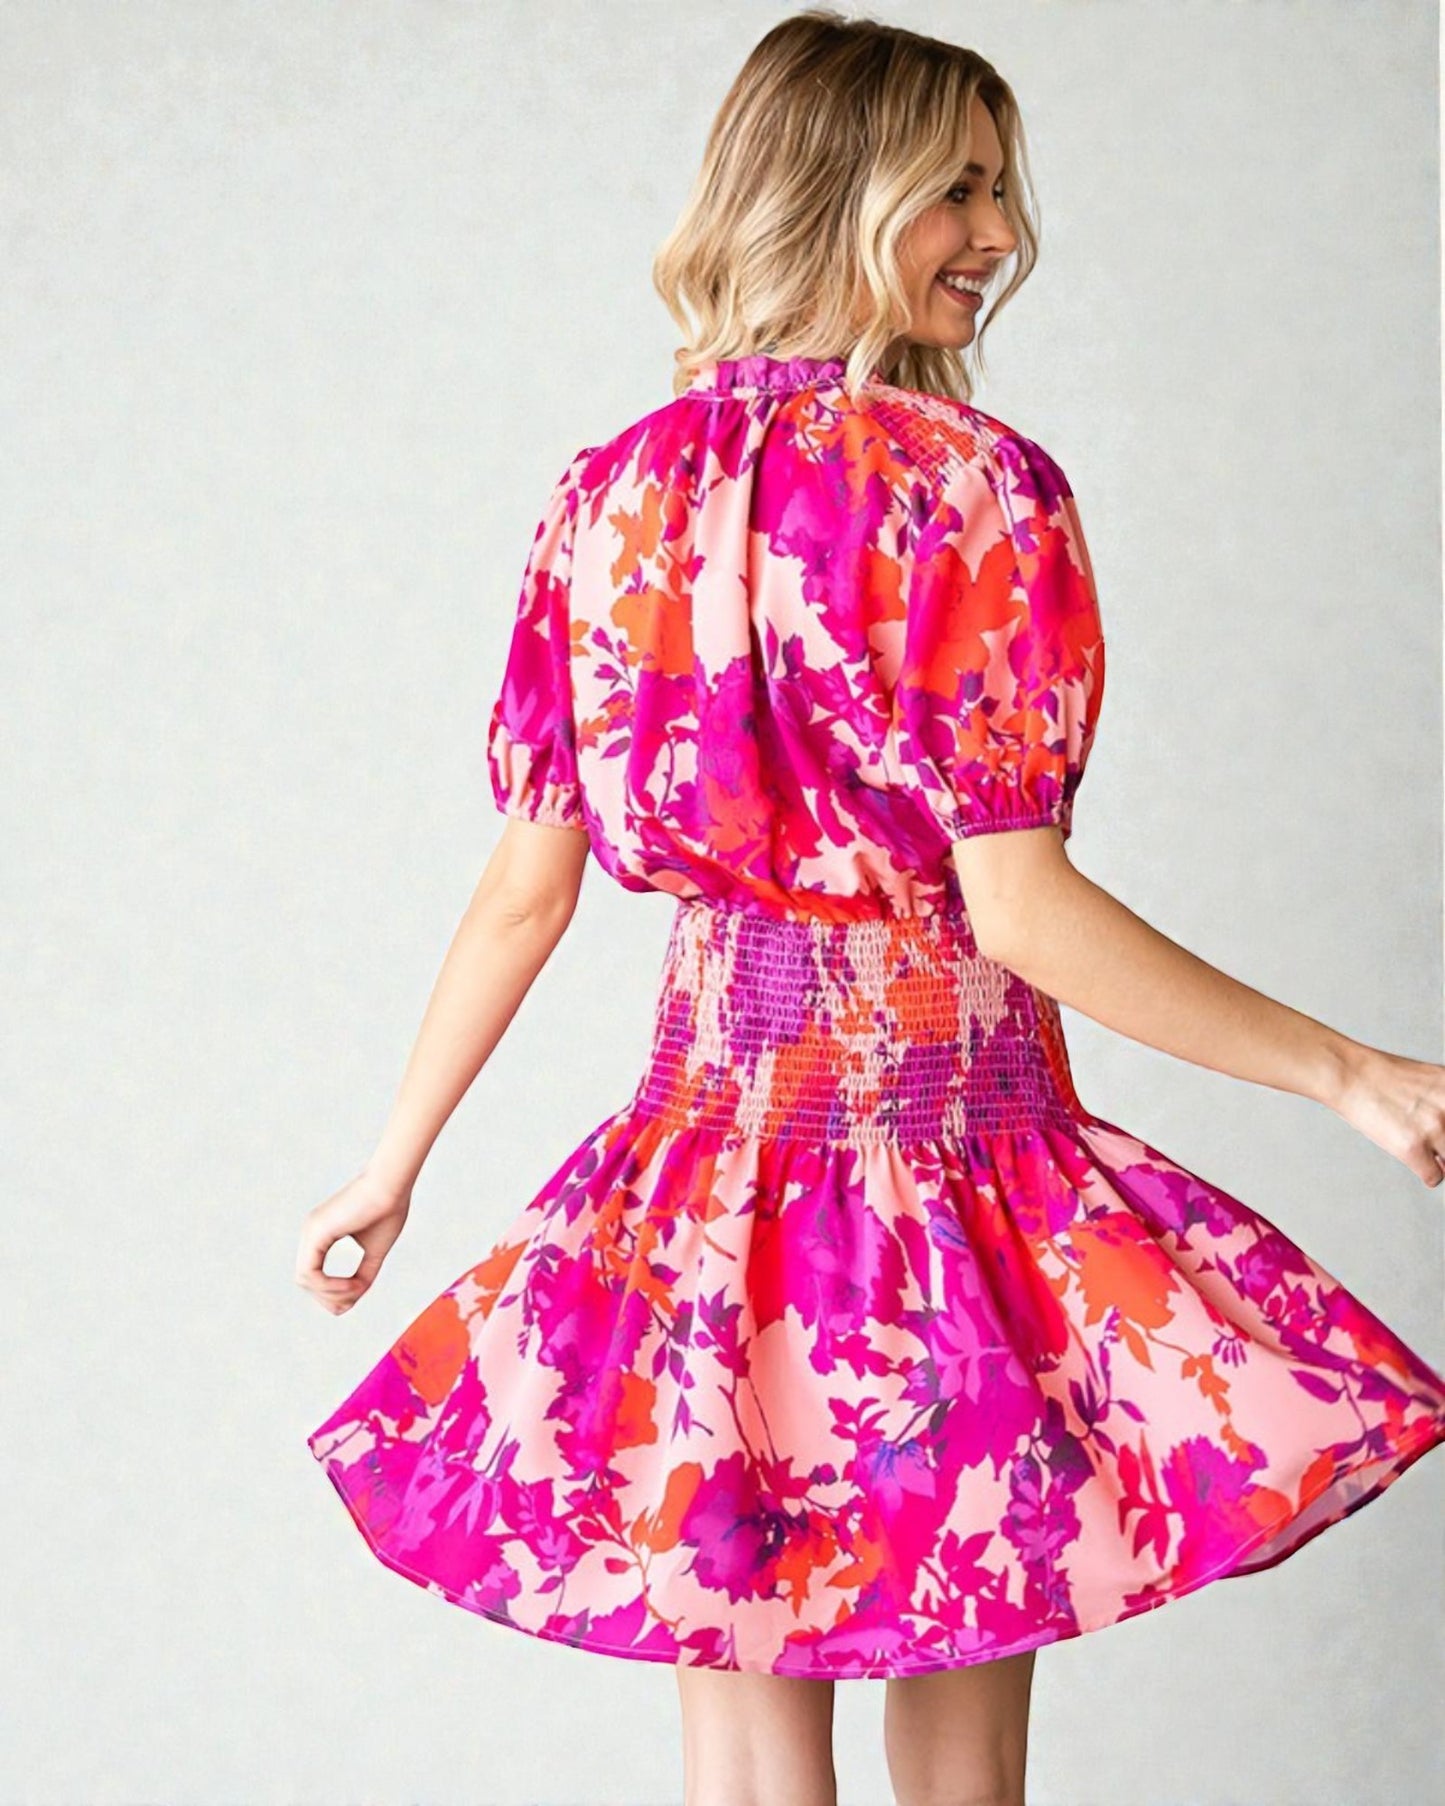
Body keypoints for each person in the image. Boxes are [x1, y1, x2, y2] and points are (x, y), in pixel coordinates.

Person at [295, 11, 1445, 1805]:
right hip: (952, 1171)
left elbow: (529, 888)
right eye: (958, 186)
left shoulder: (602, 499)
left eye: (1004, 183)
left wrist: (393, 1160)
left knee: (743, 1751)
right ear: (838, 190)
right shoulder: (977, 491)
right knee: (963, 1743)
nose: (1000, 231)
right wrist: (1346, 1072)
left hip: (702, 1178)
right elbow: (1017, 910)